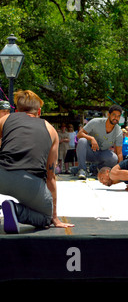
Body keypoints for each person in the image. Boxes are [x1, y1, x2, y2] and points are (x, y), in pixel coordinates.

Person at [0, 90, 74, 233]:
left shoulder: (5, 119)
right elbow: (51, 176)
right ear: (39, 111)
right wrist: (54, 217)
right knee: (45, 218)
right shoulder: (51, 130)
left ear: (17, 109)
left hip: (2, 176)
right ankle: (16, 210)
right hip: (30, 182)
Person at [76, 104, 123, 179]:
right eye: (114, 115)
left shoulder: (119, 132)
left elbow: (119, 152)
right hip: (89, 152)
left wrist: (121, 171)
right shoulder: (95, 122)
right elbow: (79, 134)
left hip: (102, 154)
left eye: (118, 116)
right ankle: (82, 169)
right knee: (82, 140)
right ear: (108, 114)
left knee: (114, 158)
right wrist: (91, 138)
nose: (116, 118)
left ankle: (97, 169)